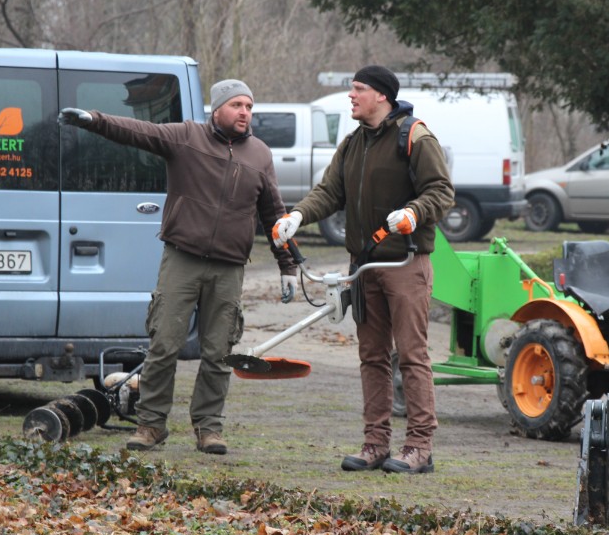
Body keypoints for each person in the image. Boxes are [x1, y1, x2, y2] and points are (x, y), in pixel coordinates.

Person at [58, 79, 297, 453]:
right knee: (164, 344)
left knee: (219, 351)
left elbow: (274, 214)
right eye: (237, 105)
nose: (245, 113)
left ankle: (209, 428)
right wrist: (94, 120)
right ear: (217, 108)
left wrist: (288, 266)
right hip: (183, 258)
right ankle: (151, 425)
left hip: (229, 267)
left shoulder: (260, 154)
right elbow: (139, 131)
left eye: (249, 107)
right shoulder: (187, 137)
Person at [272, 65, 454, 474]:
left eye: (359, 89)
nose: (351, 96)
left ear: (382, 96)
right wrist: (298, 216)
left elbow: (442, 192)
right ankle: (375, 444)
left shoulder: (415, 137)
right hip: (364, 266)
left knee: (411, 356)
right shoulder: (353, 143)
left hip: (405, 264)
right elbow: (329, 192)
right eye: (351, 89)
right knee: (372, 356)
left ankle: (420, 447)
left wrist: (414, 212)